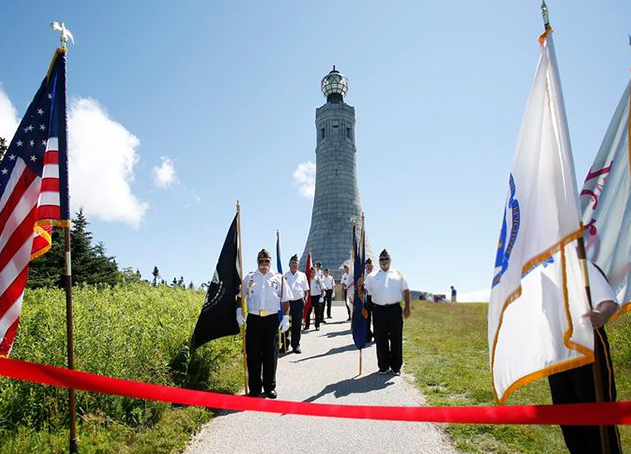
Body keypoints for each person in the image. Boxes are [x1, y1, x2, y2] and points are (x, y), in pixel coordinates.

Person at [547, 262, 622, 454]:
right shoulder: (540, 275)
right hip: (557, 356)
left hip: (588, 351)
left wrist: (601, 314)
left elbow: (608, 303)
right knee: (569, 422)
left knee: (599, 425)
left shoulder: (582, 266)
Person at [236, 249, 292, 399]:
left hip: (271, 320)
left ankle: (269, 387)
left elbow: (286, 300)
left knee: (271, 355)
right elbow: (241, 296)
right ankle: (254, 388)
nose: (263, 264)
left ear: (270, 262)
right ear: (257, 262)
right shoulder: (249, 278)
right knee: (253, 355)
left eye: (266, 261)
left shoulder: (279, 279)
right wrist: (239, 310)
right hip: (254, 320)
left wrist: (286, 318)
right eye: (261, 261)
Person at [362, 249, 410, 375]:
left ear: (390, 260)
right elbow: (365, 290)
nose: (384, 261)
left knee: (396, 338)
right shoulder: (372, 276)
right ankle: (383, 366)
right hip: (379, 310)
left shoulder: (398, 275)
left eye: (386, 259)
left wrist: (407, 307)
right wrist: (360, 285)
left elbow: (406, 291)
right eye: (382, 259)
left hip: (394, 309)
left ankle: (395, 367)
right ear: (379, 261)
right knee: (380, 338)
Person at [284, 254, 309, 354]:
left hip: (298, 302)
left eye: (296, 263)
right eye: (293, 263)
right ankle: (285, 344)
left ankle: (296, 345)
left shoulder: (302, 275)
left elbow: (306, 289)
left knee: (297, 325)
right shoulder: (285, 275)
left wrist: (305, 299)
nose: (294, 265)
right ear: (289, 264)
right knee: (285, 324)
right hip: (287, 302)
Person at [364, 258, 375, 343]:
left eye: (370, 265)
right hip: (366, 298)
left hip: (375, 298)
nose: (369, 267)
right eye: (367, 266)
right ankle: (368, 335)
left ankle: (376, 335)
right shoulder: (362, 275)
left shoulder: (375, 275)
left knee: (376, 318)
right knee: (367, 318)